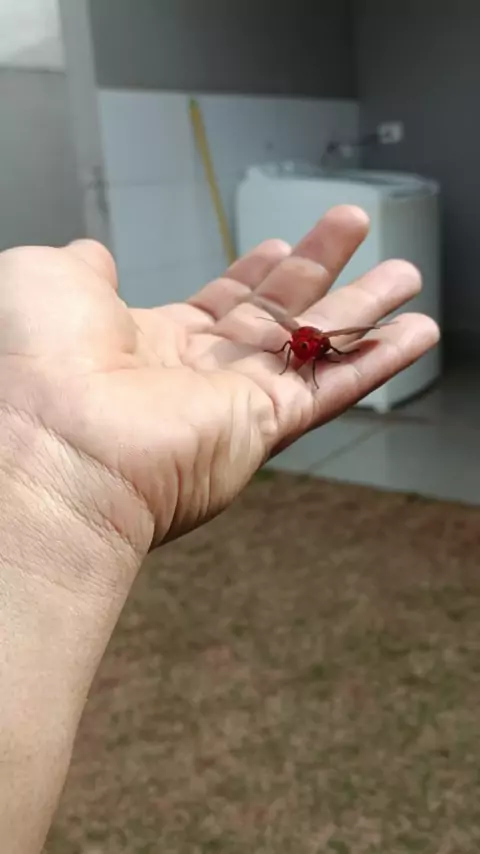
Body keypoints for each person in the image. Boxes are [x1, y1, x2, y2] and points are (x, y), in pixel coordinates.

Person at [0, 205, 438, 853]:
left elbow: (322, 346)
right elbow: (288, 342)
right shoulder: (288, 342)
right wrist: (49, 461)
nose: (301, 351)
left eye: (306, 349)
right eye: (300, 347)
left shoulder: (322, 345)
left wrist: (54, 485)